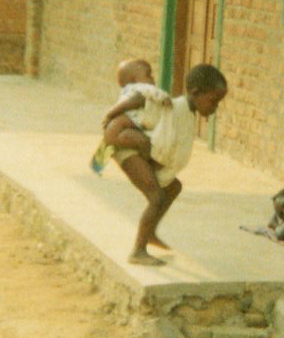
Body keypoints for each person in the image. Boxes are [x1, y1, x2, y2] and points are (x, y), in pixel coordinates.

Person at [113, 62, 227, 266]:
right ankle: (138, 251)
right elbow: (158, 144)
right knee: (156, 196)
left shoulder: (186, 112)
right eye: (213, 101)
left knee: (174, 186)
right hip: (129, 151)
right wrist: (154, 167)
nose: (215, 107)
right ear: (196, 92)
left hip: (142, 151)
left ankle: (151, 232)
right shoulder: (174, 109)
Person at [91, 57, 169, 174]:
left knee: (111, 138)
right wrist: (165, 98)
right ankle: (149, 162)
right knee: (140, 141)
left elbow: (126, 104)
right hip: (132, 122)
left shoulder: (132, 90)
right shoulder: (141, 88)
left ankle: (98, 163)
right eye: (148, 75)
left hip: (128, 124)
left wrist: (111, 115)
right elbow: (153, 94)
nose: (153, 79)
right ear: (134, 79)